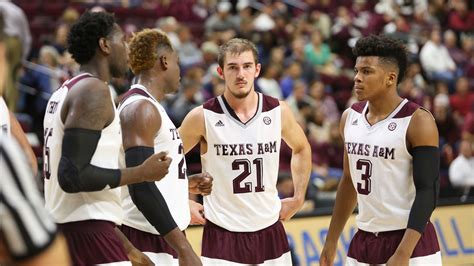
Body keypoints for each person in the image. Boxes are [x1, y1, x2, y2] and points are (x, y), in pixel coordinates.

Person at [42, 11, 172, 265]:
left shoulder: (63, 92)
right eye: (122, 40)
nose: (126, 49)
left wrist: (128, 248)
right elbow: (72, 176)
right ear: (104, 45)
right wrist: (141, 173)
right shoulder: (93, 91)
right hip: (87, 237)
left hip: (78, 230)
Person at [179, 38, 312, 265]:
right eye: (233, 67)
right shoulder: (202, 116)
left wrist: (299, 197)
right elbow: (166, 159)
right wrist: (182, 202)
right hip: (223, 233)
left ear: (257, 70)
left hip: (270, 231)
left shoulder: (279, 110)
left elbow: (301, 148)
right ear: (221, 72)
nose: (241, 74)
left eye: (247, 66)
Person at [320, 35, 442, 265]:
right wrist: (331, 239)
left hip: (409, 242)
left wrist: (404, 252)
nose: (357, 78)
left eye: (366, 71)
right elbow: (348, 181)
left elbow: (428, 191)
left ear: (390, 78)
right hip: (363, 240)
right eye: (356, 71)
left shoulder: (418, 121)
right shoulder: (350, 117)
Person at [118, 28, 212, 265]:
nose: (180, 71)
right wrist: (185, 249)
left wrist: (181, 183)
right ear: (164, 61)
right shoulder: (140, 109)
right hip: (145, 237)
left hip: (161, 235)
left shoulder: (150, 108)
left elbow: (142, 172)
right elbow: (141, 187)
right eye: (178, 63)